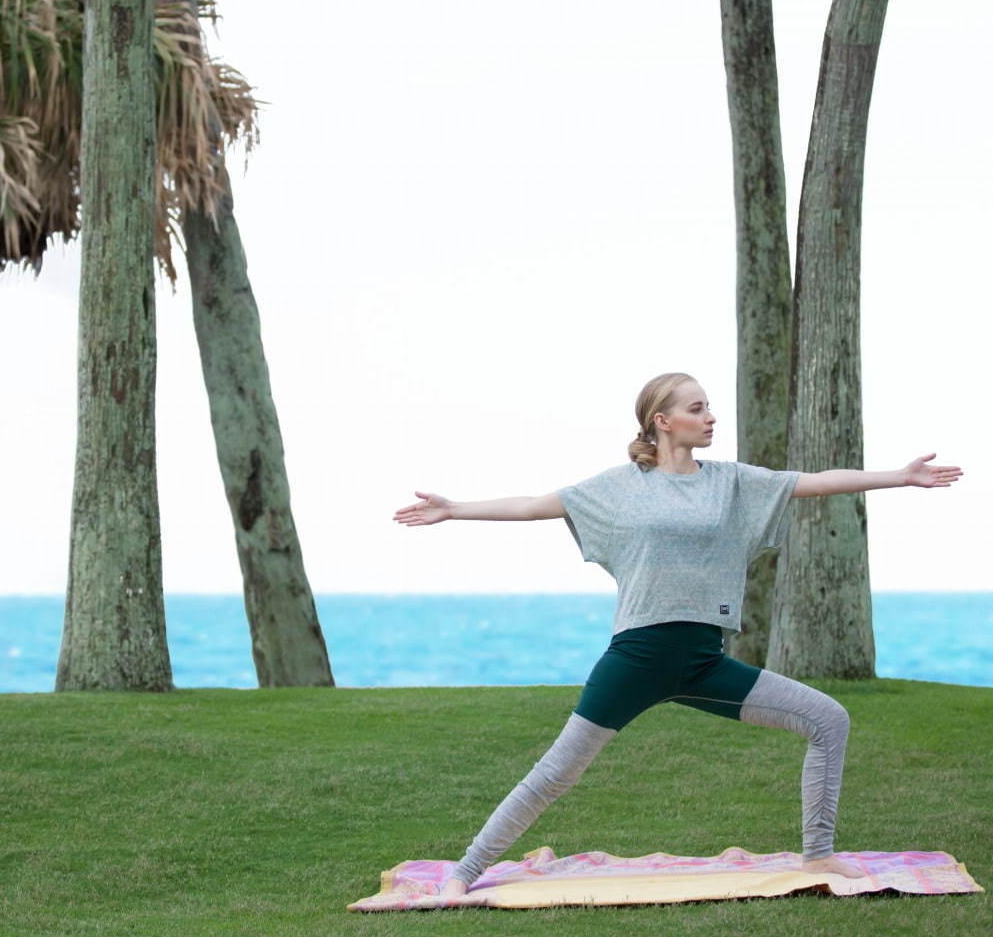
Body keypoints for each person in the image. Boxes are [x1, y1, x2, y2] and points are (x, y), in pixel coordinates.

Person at [391, 372, 964, 899]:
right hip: (637, 656)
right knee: (556, 773)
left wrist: (900, 477)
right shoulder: (619, 486)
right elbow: (535, 505)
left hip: (703, 660)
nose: (711, 416)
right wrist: (455, 509)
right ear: (663, 421)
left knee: (828, 719)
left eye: (709, 407)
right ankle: (464, 874)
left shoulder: (732, 482)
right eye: (697, 408)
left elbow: (814, 482)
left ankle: (818, 855)